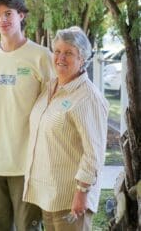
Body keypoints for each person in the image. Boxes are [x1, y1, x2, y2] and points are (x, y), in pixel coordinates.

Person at [0, 0, 53, 230]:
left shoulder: (41, 57)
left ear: (21, 15)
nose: (3, 20)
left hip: (27, 162)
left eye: (8, 14)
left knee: (27, 227)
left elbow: (53, 107)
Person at [23, 26, 109, 231]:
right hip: (49, 196)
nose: (61, 57)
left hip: (71, 199)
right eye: (58, 51)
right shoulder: (51, 87)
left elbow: (94, 153)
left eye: (69, 53)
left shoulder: (87, 97)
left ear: (82, 59)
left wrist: (81, 192)